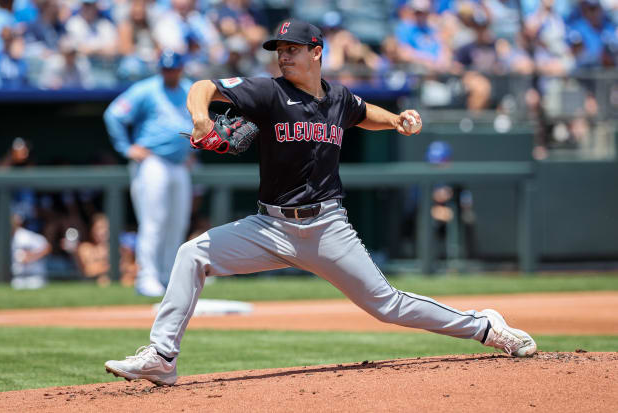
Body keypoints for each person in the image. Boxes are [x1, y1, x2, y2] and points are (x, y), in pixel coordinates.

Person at [105, 19, 536, 386]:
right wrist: (201, 117)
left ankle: (484, 326)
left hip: (327, 227)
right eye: (279, 49)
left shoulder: (337, 99)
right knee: (192, 253)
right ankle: (162, 357)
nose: (283, 56)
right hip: (269, 228)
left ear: (316, 52)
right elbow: (203, 86)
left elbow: (365, 112)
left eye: (293, 49)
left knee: (386, 305)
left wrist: (398, 120)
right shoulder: (267, 93)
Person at [104, 49, 193, 297]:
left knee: (178, 222)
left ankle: (168, 275)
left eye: (173, 68)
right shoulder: (147, 89)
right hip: (153, 161)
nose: (169, 73)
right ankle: (147, 276)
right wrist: (126, 147)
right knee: (154, 221)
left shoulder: (189, 89)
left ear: (181, 68)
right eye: (165, 69)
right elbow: (113, 114)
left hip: (180, 164)